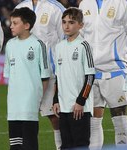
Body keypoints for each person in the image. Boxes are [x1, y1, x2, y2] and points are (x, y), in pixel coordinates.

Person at [79, 0, 127, 148]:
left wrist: (118, 54)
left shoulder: (125, 2)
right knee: (93, 122)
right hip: (90, 71)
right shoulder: (84, 3)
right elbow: (81, 35)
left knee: (120, 121)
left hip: (114, 69)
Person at [16, 1, 66, 149]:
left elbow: (65, 38)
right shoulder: (20, 7)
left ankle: (60, 147)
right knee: (24, 119)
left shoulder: (56, 8)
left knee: (55, 117)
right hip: (25, 74)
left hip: (49, 73)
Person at [3, 7, 51, 150]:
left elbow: (45, 76)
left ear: (27, 25)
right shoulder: (10, 45)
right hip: (13, 104)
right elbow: (9, 75)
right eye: (11, 22)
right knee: (15, 145)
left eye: (15, 23)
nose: (11, 26)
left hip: (29, 103)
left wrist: (39, 97)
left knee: (29, 145)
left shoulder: (38, 45)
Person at [53, 7, 95, 149]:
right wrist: (56, 100)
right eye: (64, 22)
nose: (66, 26)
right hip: (63, 107)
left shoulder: (84, 46)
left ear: (81, 25)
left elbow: (90, 76)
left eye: (71, 22)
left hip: (79, 107)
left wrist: (81, 101)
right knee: (66, 146)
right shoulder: (59, 47)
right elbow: (57, 77)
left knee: (80, 145)